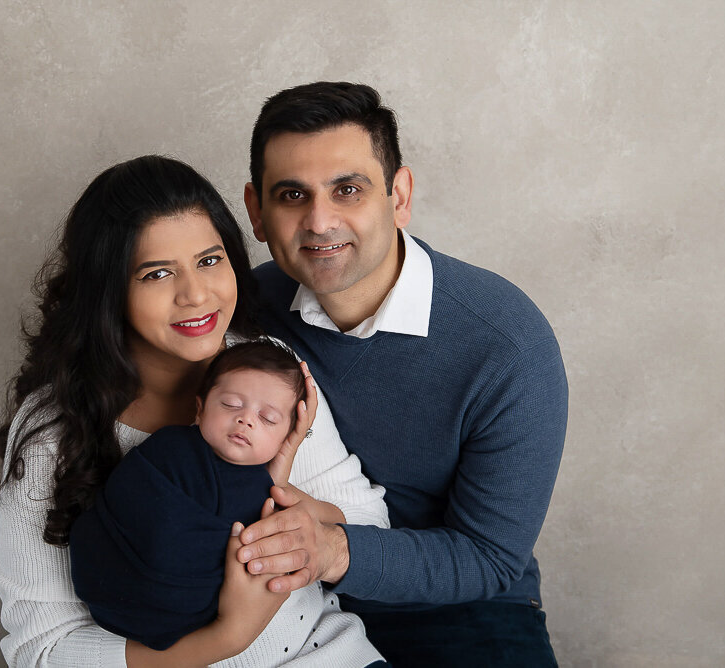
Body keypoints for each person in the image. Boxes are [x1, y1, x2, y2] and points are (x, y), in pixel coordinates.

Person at [0, 155, 389, 667]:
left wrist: (309, 526)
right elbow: (42, 648)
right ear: (109, 291)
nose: (196, 295)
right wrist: (227, 638)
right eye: (156, 273)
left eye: (209, 260)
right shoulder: (54, 430)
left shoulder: (270, 374)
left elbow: (368, 522)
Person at [237, 82, 569, 667]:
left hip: (458, 610)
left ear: (400, 195)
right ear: (256, 212)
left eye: (348, 189)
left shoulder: (505, 344)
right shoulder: (241, 311)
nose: (319, 220)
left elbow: (490, 559)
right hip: (289, 603)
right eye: (292, 194)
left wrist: (337, 551)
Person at [70, 340, 382, 664]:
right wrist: (231, 634)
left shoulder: (265, 490)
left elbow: (350, 524)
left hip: (330, 649)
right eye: (231, 405)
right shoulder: (167, 449)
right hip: (147, 607)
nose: (246, 420)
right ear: (200, 408)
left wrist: (282, 469)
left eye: (268, 419)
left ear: (290, 435)